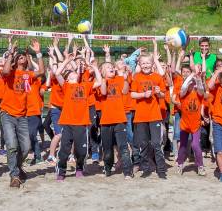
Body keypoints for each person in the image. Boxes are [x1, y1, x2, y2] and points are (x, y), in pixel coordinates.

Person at [0, 40, 45, 188]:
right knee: (12, 145)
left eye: (23, 57)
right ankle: (14, 176)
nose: (22, 58)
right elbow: (5, 71)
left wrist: (38, 53)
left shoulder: (27, 74)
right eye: (19, 57)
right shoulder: (11, 72)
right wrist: (11, 53)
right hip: (7, 113)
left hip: (22, 116)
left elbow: (42, 72)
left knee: (25, 147)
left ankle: (17, 168)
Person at [53, 50, 99, 180]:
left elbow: (99, 83)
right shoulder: (66, 87)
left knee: (81, 150)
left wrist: (95, 68)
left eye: (75, 76)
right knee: (64, 150)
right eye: (71, 77)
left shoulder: (85, 86)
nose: (74, 77)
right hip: (67, 123)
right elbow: (57, 73)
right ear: (67, 80)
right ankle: (61, 172)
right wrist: (67, 61)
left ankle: (79, 168)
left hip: (81, 123)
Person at [130, 40, 169, 179]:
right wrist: (143, 95)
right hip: (140, 116)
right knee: (144, 144)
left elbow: (163, 94)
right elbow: (132, 94)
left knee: (156, 144)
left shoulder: (158, 77)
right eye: (143, 63)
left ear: (152, 64)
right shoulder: (136, 77)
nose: (146, 65)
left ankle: (161, 170)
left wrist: (158, 93)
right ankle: (145, 168)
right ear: (140, 65)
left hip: (154, 115)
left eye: (148, 63)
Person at [97, 49, 132, 178]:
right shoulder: (102, 82)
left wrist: (127, 79)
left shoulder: (119, 78)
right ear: (102, 72)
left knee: (123, 147)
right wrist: (104, 80)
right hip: (106, 120)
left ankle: (128, 171)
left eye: (112, 67)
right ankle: (107, 169)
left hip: (119, 118)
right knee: (107, 148)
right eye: (107, 67)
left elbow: (124, 91)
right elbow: (104, 92)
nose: (111, 68)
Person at [174, 63, 207, 175]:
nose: (191, 85)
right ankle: (180, 163)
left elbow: (201, 88)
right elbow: (183, 87)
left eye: (193, 84)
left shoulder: (199, 94)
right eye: (189, 83)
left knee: (195, 145)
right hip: (184, 124)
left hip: (196, 125)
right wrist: (192, 74)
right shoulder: (182, 94)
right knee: (182, 145)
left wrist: (197, 78)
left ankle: (200, 165)